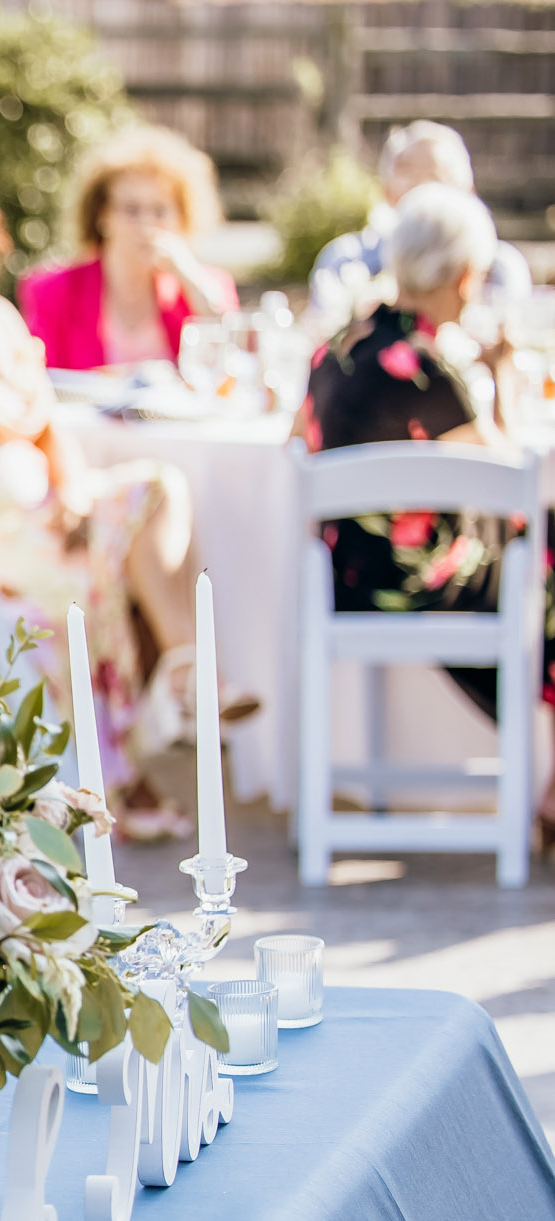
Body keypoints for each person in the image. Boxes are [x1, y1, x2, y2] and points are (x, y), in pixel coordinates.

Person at [0, 154, 245, 836]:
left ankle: (187, 677)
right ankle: (131, 765)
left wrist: (71, 490)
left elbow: (44, 418)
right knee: (102, 571)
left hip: (39, 518)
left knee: (157, 488)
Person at [295, 182, 555, 828]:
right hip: (413, 582)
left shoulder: (335, 347)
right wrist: (501, 376)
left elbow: (293, 444)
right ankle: (548, 783)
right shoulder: (431, 364)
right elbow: (508, 469)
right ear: (464, 275)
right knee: (543, 550)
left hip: (346, 577)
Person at [19, 126, 241, 372]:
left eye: (160, 210)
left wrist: (189, 278)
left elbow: (235, 361)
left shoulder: (203, 287)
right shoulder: (53, 291)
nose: (146, 224)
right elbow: (39, 379)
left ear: (182, 215)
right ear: (102, 216)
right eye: (131, 210)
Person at [314, 122, 533, 311]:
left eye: (437, 176)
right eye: (409, 174)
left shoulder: (499, 269)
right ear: (386, 190)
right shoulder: (346, 262)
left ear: (469, 192)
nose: (423, 189)